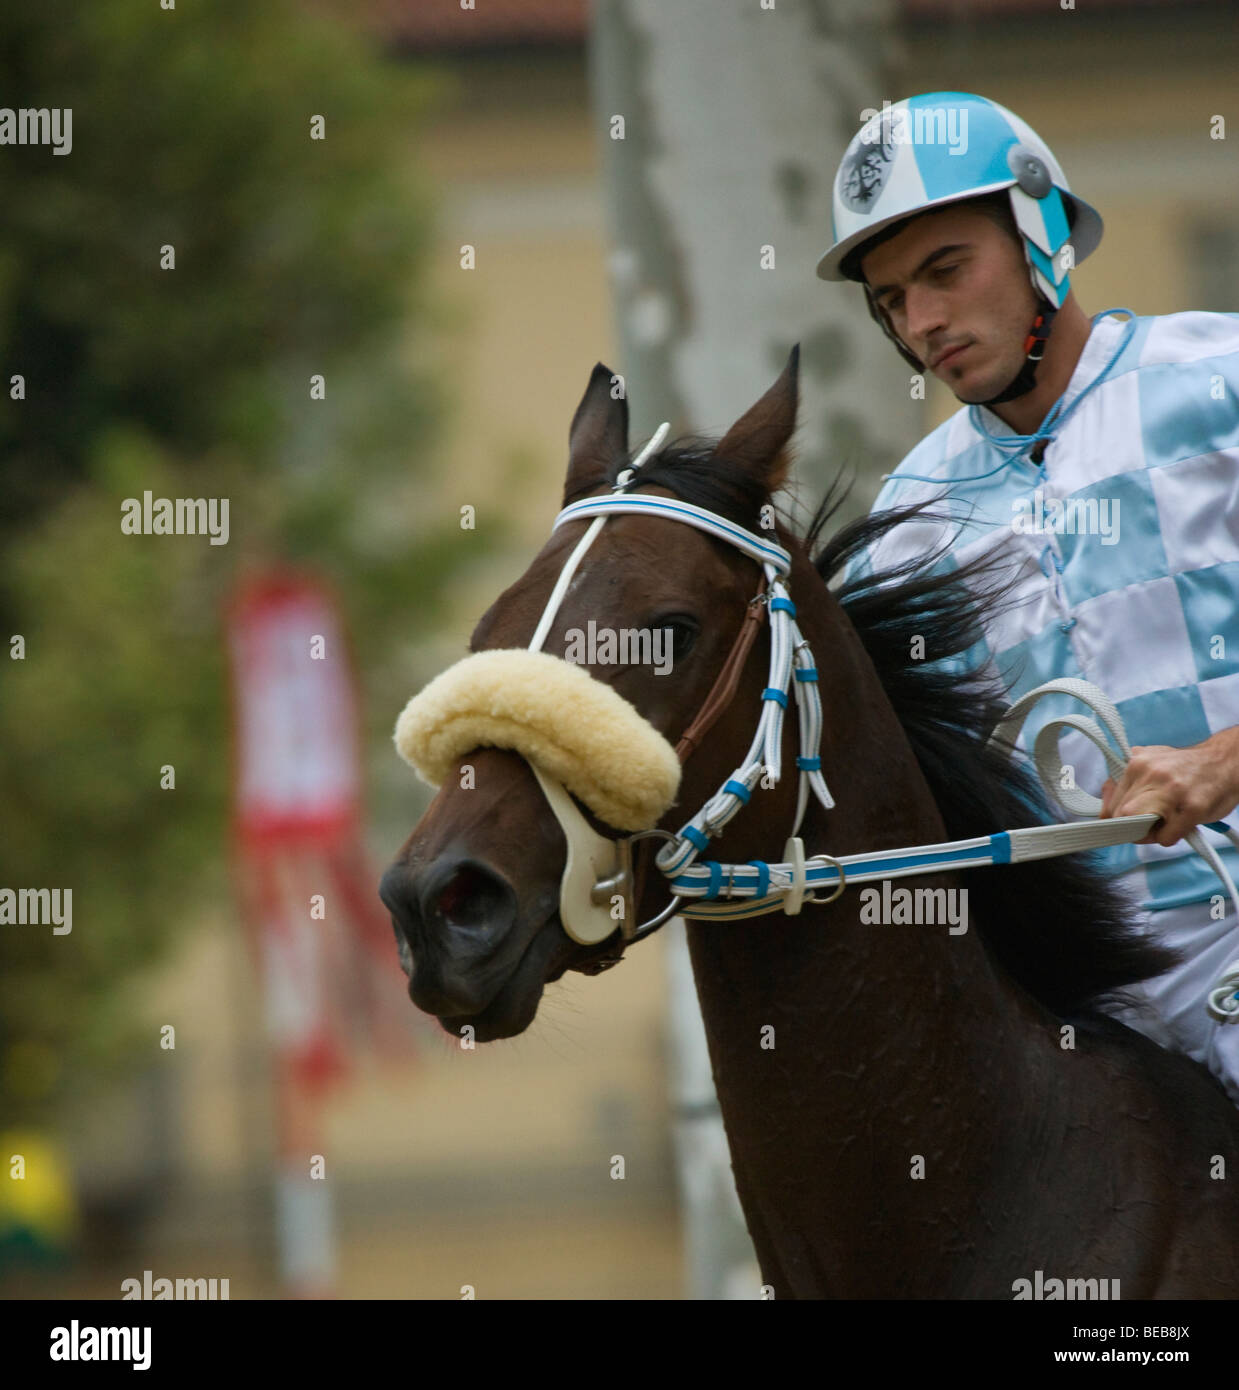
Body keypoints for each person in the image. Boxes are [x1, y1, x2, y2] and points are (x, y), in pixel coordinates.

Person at [816, 91, 1239, 1103]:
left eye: (945, 271)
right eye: (888, 301)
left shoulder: (1220, 380)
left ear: (1041, 229)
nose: (921, 323)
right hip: (1087, 1034)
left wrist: (1224, 760)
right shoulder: (906, 521)